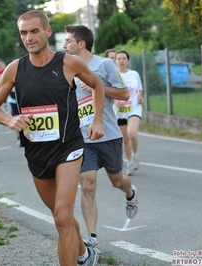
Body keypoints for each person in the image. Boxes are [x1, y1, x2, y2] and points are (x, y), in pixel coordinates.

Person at [0, 10, 105, 266]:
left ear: (48, 32)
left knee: (62, 216)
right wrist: (10, 120)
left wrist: (97, 120)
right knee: (61, 217)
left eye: (34, 31)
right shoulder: (15, 69)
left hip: (68, 147)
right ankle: (84, 254)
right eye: (24, 33)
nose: (29, 37)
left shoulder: (67, 63)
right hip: (36, 152)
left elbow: (98, 85)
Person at [63, 25, 139, 250]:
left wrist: (99, 87)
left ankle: (130, 192)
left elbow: (124, 94)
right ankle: (92, 237)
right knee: (87, 183)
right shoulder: (66, 66)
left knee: (117, 181)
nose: (64, 45)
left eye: (68, 41)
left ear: (81, 43)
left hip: (107, 134)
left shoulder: (104, 64)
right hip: (82, 137)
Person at [114, 50, 144, 175]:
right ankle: (130, 162)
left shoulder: (134, 74)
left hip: (134, 108)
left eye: (124, 58)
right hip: (120, 111)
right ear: (115, 61)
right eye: (119, 58)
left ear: (128, 60)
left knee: (132, 134)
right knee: (125, 139)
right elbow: (109, 91)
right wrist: (116, 101)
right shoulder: (113, 75)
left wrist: (139, 96)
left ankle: (135, 155)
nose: (121, 61)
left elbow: (139, 89)